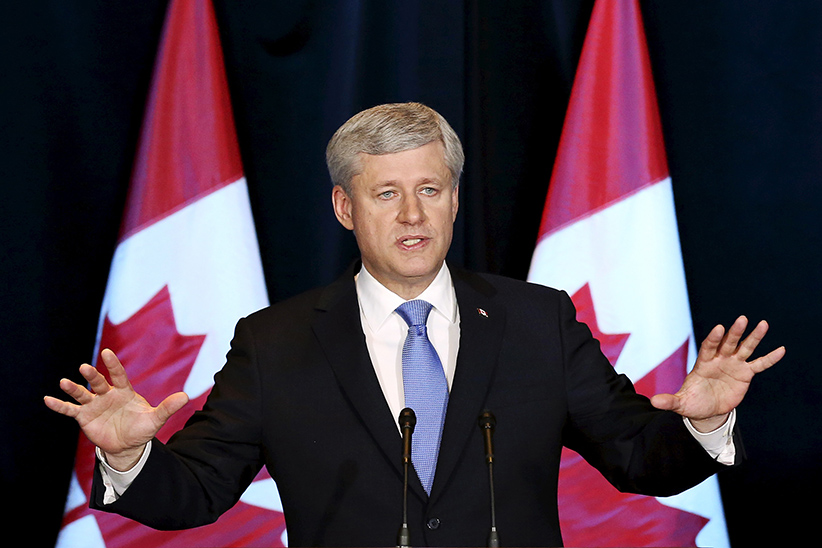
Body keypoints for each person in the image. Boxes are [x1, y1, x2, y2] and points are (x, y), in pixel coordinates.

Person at [45, 102, 785, 547]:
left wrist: (702, 426)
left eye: (430, 189)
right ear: (345, 208)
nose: (411, 215)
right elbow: (197, 492)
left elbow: (636, 456)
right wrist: (129, 459)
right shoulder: (275, 342)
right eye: (386, 193)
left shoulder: (536, 320)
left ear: (455, 199)